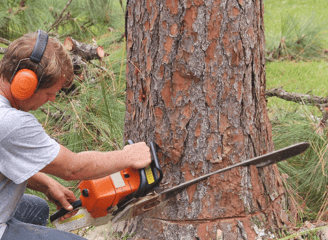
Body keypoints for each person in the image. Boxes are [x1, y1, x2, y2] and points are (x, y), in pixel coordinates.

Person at [0, 30, 151, 239]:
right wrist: (129, 156)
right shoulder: (10, 122)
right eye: (49, 93)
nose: (52, 99)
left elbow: (5, 155)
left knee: (38, 208)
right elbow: (73, 168)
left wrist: (46, 184)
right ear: (25, 85)